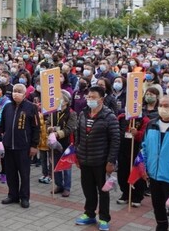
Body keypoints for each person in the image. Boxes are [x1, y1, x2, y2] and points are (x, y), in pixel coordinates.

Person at [74, 86, 120, 231]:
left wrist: (111, 161)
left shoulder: (109, 117)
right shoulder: (83, 114)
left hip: (101, 161)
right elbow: (78, 136)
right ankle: (89, 213)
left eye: (93, 97)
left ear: (102, 99)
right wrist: (77, 153)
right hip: (85, 159)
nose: (90, 100)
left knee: (103, 191)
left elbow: (115, 140)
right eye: (88, 97)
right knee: (88, 189)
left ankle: (104, 218)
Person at [142, 95, 169, 231]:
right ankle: (161, 226)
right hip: (153, 175)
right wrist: (143, 168)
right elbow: (145, 148)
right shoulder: (151, 124)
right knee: (157, 206)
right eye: (160, 105)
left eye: (166, 106)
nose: (162, 109)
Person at [0, 83, 40, 209]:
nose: (15, 93)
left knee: (24, 174)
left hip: (24, 147)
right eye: (14, 91)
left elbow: (36, 128)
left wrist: (34, 145)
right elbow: (3, 125)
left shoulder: (31, 108)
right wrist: (2, 139)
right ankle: (13, 195)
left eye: (19, 91)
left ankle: (24, 197)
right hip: (8, 146)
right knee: (10, 173)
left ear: (24, 93)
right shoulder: (7, 107)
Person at [47, 89, 77, 197]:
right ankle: (59, 185)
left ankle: (67, 187)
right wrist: (49, 128)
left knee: (66, 166)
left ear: (66, 101)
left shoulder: (72, 113)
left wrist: (57, 134)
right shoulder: (54, 112)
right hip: (54, 143)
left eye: (60, 98)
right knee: (55, 165)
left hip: (67, 143)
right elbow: (47, 123)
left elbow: (70, 128)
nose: (57, 100)